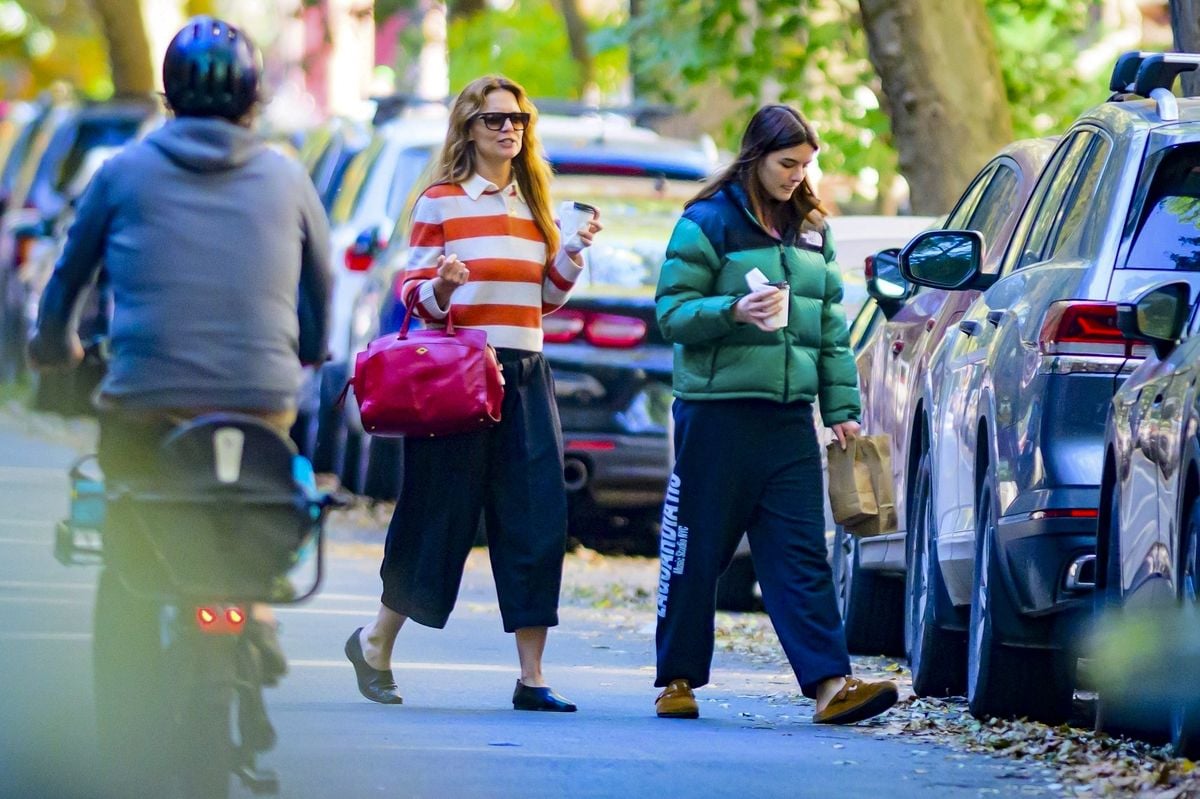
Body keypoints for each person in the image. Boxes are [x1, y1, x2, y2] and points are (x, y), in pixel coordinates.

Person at [28, 16, 332, 791]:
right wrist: (309, 352)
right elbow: (321, 292)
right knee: (268, 495)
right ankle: (255, 601)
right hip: (259, 407)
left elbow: (66, 284)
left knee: (132, 545)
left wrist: (52, 347)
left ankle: (124, 717)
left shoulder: (122, 172)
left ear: (167, 97)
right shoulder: (289, 175)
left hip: (148, 408)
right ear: (254, 99)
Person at [344, 74, 602, 712]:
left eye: (517, 119)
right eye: (494, 120)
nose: (508, 128)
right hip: (459, 373)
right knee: (437, 513)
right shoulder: (441, 201)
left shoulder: (535, 203)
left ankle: (532, 676)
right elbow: (412, 293)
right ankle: (377, 641)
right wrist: (445, 287)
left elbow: (546, 298)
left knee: (537, 518)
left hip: (525, 372)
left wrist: (571, 252)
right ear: (468, 127)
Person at [651, 104, 898, 724]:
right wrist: (734, 310)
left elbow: (831, 332)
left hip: (788, 419)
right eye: (787, 163)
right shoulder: (705, 222)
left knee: (799, 554)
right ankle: (676, 680)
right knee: (695, 549)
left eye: (806, 165)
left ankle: (829, 686)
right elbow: (672, 315)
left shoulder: (813, 228)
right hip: (715, 415)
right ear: (755, 157)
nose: (797, 175)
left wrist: (840, 407)